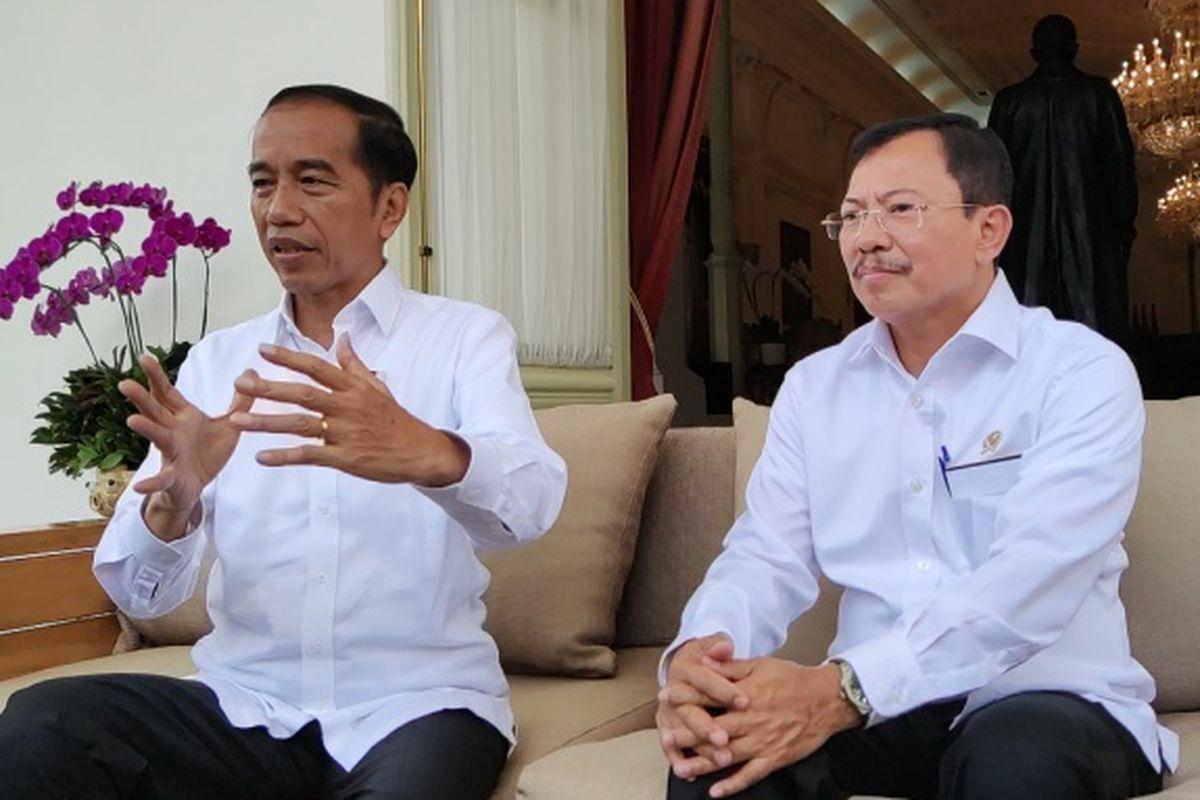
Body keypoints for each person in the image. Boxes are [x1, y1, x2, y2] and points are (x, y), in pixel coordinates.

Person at [0, 84, 567, 799]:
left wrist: (425, 449)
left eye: (312, 180)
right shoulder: (217, 362)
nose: (279, 210)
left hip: (418, 706)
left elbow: (532, 506)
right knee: (42, 722)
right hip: (244, 709)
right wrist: (173, 505)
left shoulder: (463, 338)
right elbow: (135, 590)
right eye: (263, 184)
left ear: (389, 207)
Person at [657, 113, 1175, 800]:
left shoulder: (1078, 371)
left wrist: (842, 688)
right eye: (850, 218)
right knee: (715, 761)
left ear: (989, 230)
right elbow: (766, 553)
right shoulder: (815, 388)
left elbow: (1033, 576)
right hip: (879, 710)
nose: (867, 239)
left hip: (1043, 697)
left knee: (1015, 768)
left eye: (900, 210)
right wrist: (703, 655)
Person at [988, 14, 1138, 348]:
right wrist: (1124, 227)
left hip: (1025, 238)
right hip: (1092, 235)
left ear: (1033, 52)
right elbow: (1120, 168)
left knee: (1027, 338)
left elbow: (994, 178)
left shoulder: (1010, 101)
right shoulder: (1099, 95)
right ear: (1075, 49)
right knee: (1095, 334)